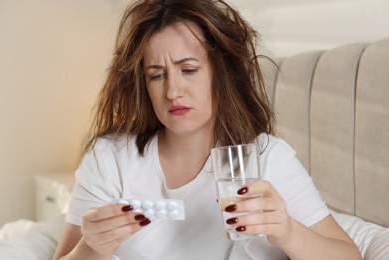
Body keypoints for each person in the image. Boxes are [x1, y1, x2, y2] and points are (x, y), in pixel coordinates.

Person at [53, 0, 362, 259]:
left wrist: (288, 231)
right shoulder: (110, 158)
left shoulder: (267, 159)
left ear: (222, 73)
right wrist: (89, 247)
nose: (173, 91)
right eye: (157, 75)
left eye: (188, 70)